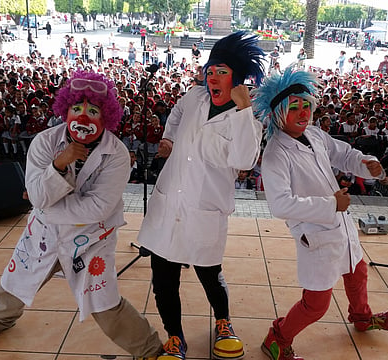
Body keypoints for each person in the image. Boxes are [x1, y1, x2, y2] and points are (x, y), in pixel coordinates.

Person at [0, 71, 163, 359]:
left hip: (91, 239)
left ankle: (150, 349)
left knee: (104, 302)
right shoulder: (45, 142)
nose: (83, 117)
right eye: (76, 109)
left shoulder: (116, 154)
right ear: (64, 109)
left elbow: (98, 208)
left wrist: (45, 204)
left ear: (107, 117)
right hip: (43, 234)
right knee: (17, 281)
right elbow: (41, 196)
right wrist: (59, 163)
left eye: (93, 111)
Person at [252, 67, 388, 360]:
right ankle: (278, 338)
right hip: (315, 234)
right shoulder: (275, 153)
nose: (303, 113)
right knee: (316, 304)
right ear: (277, 114)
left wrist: (368, 162)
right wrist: (330, 205)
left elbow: (344, 154)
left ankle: (362, 317)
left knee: (357, 270)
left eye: (306, 105)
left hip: (341, 226)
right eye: (293, 108)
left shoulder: (315, 134)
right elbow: (279, 204)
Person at [137, 31, 266, 360]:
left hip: (205, 209)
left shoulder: (249, 118)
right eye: (210, 71)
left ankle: (223, 322)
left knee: (209, 271)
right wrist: (168, 139)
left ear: (236, 79)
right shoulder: (194, 97)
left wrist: (243, 108)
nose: (213, 78)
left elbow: (244, 161)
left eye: (222, 72)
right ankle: (175, 338)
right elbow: (177, 115)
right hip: (171, 202)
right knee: (163, 277)